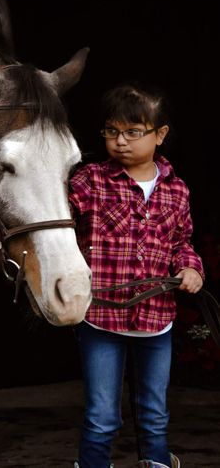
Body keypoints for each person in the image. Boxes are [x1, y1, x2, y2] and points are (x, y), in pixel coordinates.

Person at [69, 84, 204, 468]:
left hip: (156, 320)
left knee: (155, 413)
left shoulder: (176, 191)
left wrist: (190, 267)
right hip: (102, 318)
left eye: (133, 132)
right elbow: (57, 216)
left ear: (160, 134)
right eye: (111, 131)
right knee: (101, 415)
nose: (120, 142)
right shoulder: (90, 180)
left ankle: (157, 464)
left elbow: (182, 241)